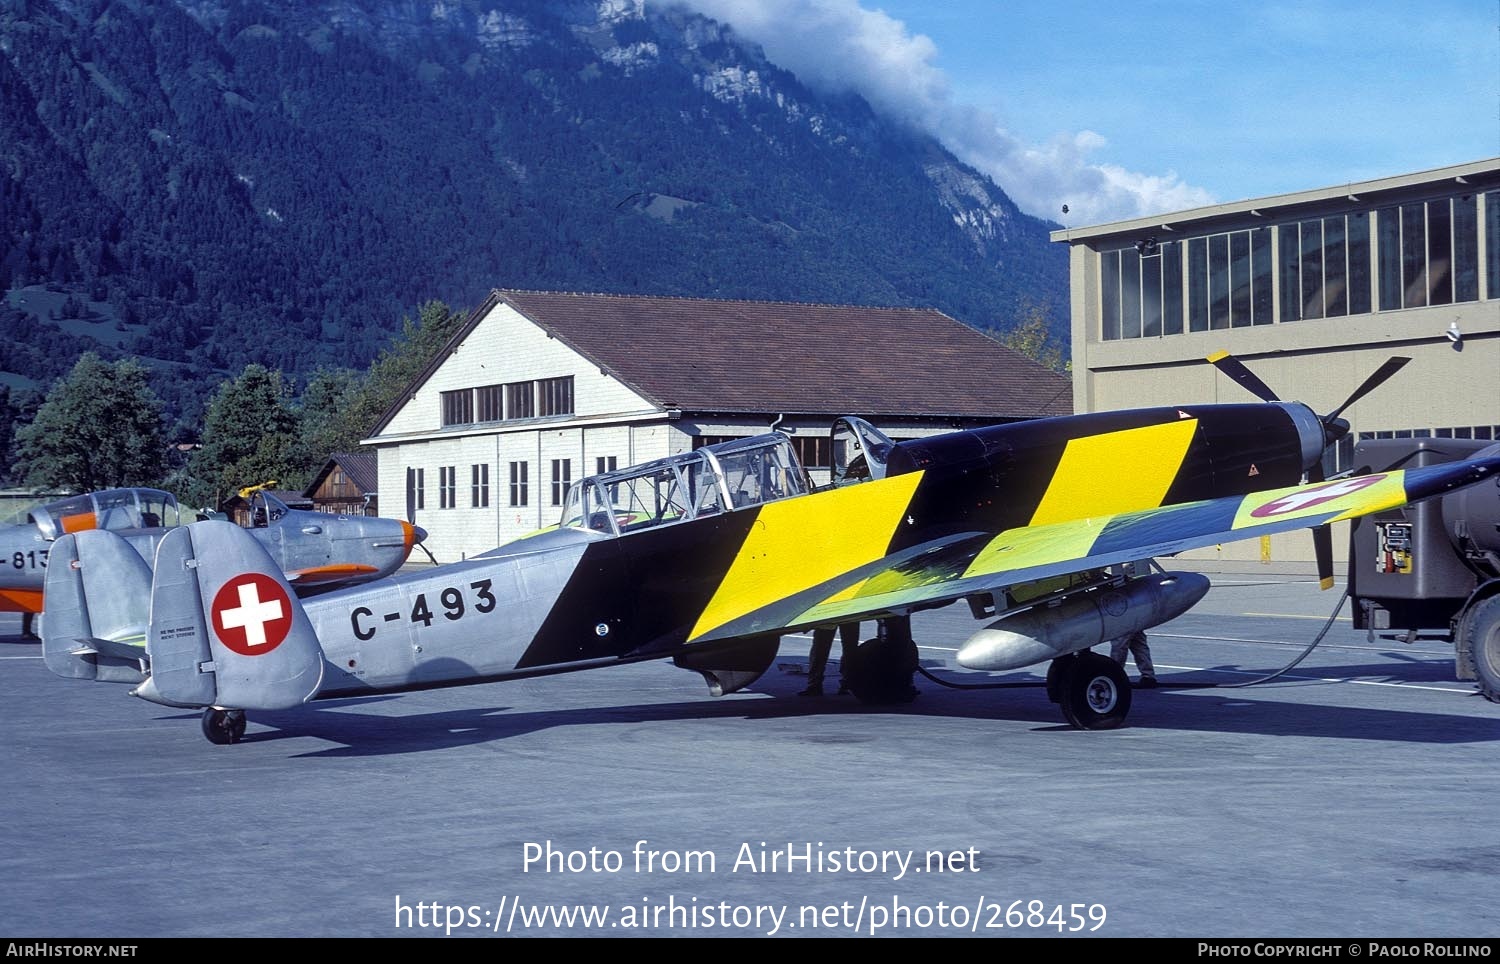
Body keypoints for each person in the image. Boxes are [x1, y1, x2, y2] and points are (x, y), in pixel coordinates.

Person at [801, 622, 861, 696]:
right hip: (849, 615)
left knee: (820, 649)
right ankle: (847, 684)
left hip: (830, 616)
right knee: (850, 649)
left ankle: (814, 684)